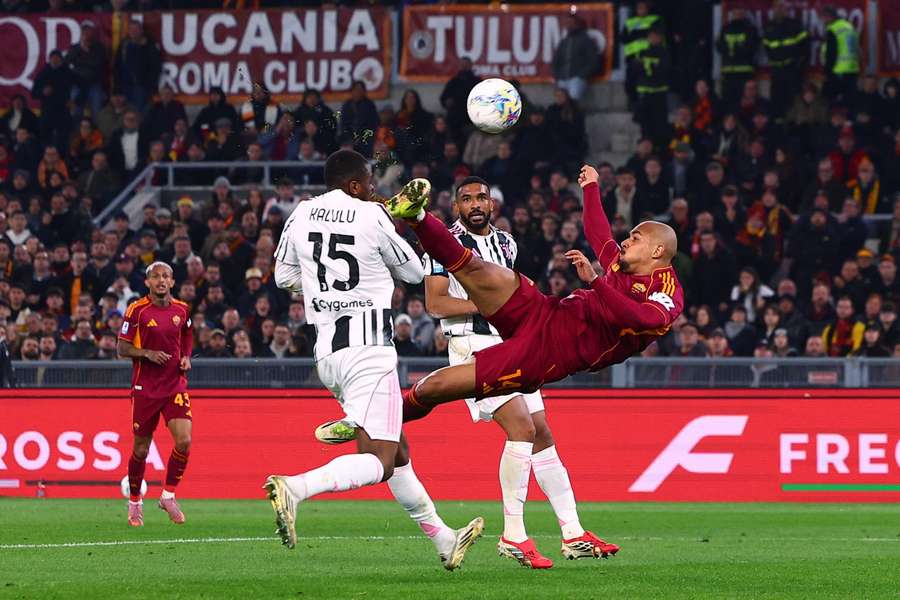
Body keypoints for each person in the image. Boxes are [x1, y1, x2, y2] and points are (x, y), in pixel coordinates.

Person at [266, 150, 483, 570]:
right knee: (381, 461)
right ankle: (295, 487)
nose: (373, 191)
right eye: (369, 183)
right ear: (353, 185)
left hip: (328, 352)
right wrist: (395, 230)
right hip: (370, 350)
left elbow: (283, 277)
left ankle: (444, 538)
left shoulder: (301, 212)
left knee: (397, 448)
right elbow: (415, 273)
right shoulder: (371, 215)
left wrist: (323, 286)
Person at [418, 177, 607, 567]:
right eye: (466, 199)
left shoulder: (506, 243)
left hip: (516, 345)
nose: (474, 204)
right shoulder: (443, 244)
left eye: (481, 197)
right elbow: (436, 304)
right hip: (473, 346)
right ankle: (514, 536)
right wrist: (485, 306)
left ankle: (572, 532)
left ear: (492, 204)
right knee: (521, 429)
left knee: (542, 435)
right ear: (455, 208)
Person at [116, 262, 194, 527]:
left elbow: (187, 334)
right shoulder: (136, 311)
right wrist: (147, 354)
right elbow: (122, 348)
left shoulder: (182, 310)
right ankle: (135, 502)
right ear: (147, 282)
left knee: (184, 441)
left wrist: (185, 357)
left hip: (174, 385)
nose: (161, 280)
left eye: (166, 276)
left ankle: (168, 496)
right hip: (145, 388)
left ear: (172, 282)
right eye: (156, 276)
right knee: (141, 448)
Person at [762, 1, 809, 120]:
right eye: (776, 6)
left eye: (782, 7)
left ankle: (794, 129)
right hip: (777, 72)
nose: (779, 9)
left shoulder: (795, 25)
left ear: (786, 9)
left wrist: (800, 68)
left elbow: (805, 48)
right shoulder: (768, 26)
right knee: (777, 103)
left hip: (792, 71)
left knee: (794, 102)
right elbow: (767, 47)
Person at [634, 26, 672, 148]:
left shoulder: (665, 52)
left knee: (659, 127)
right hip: (644, 95)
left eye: (656, 36)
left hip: (659, 94)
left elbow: (664, 70)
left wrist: (651, 69)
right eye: (651, 36)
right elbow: (636, 69)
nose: (653, 39)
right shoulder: (642, 52)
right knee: (645, 127)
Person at [716, 8, 759, 108]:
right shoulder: (725, 28)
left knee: (746, 103)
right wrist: (732, 50)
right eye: (736, 13)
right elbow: (718, 45)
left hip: (745, 73)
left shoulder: (750, 29)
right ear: (732, 14)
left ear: (744, 15)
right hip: (728, 73)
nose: (738, 16)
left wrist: (735, 51)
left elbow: (753, 47)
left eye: (740, 13)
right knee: (727, 103)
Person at [552, 14, 600, 101]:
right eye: (567, 23)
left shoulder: (586, 40)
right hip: (562, 78)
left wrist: (581, 75)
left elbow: (594, 62)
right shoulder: (563, 42)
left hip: (577, 79)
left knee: (572, 99)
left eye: (571, 23)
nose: (569, 25)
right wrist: (557, 75)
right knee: (560, 101)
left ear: (577, 24)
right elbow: (555, 62)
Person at [820, 7, 860, 103]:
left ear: (828, 17)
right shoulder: (849, 26)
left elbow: (831, 53)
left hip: (838, 71)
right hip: (852, 70)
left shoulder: (833, 29)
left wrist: (827, 72)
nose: (822, 21)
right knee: (849, 102)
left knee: (829, 101)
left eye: (823, 18)